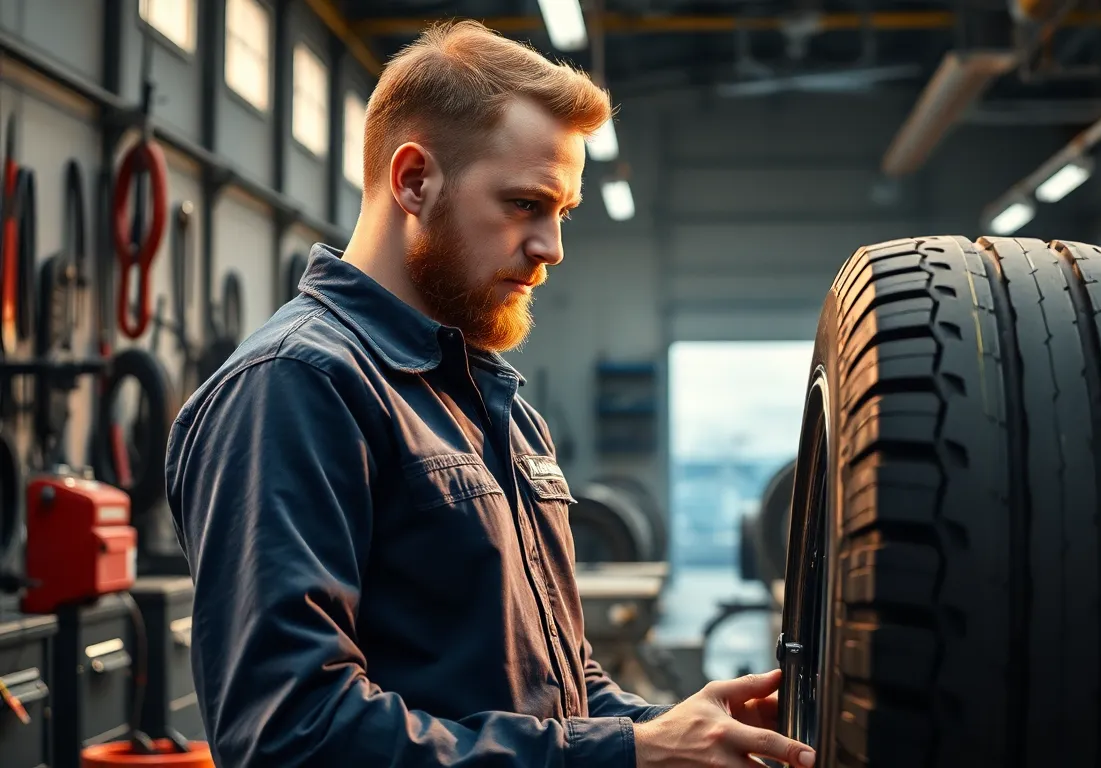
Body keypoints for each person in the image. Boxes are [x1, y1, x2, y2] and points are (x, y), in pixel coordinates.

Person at [163, 19, 817, 768]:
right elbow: (291, 735)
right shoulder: (298, 387)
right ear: (414, 181)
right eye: (525, 204)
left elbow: (556, 684)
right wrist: (626, 753)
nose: (553, 248)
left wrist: (676, 730)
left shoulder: (495, 405)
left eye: (561, 213)